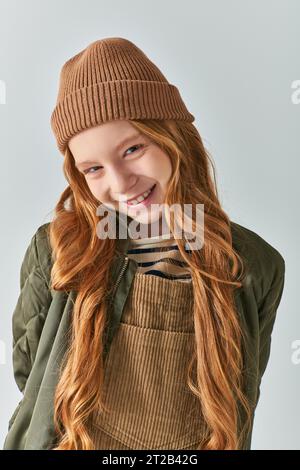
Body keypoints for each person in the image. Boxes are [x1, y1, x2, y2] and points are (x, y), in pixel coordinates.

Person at [3, 37, 285, 450]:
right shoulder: (59, 251)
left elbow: (243, 388)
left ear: (173, 137)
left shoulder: (252, 264)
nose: (120, 183)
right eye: (94, 168)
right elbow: (31, 369)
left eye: (133, 148)